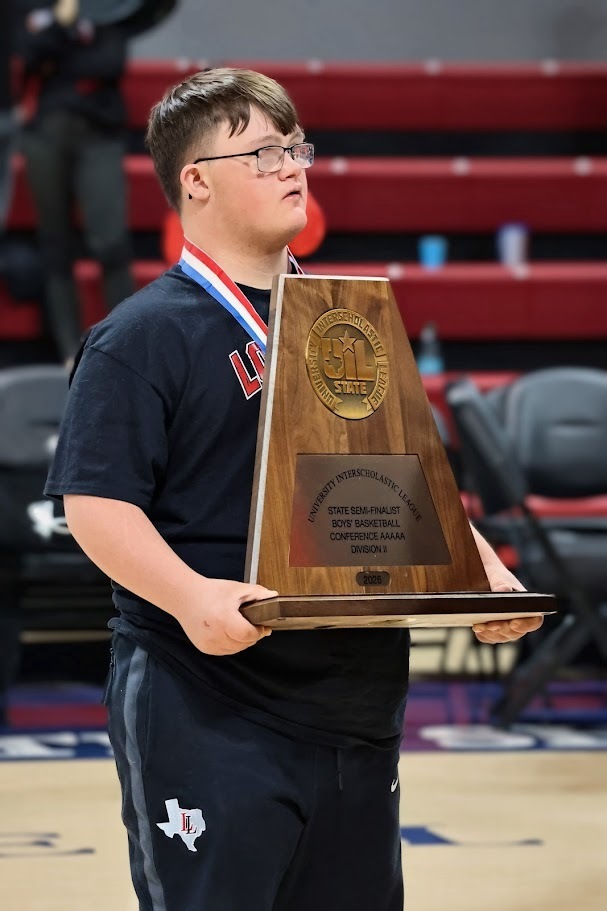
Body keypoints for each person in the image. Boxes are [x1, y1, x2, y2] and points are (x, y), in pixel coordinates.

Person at [44, 68, 542, 911]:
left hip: (357, 699)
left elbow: (404, 475)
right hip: (208, 699)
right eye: (264, 150)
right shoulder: (140, 334)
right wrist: (192, 594)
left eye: (296, 146)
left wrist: (482, 570)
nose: (292, 166)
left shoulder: (342, 320)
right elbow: (95, 504)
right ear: (193, 181)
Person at [14, 0, 134, 365]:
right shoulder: (36, 8)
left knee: (110, 242)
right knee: (55, 243)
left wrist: (59, 49)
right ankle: (69, 350)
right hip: (46, 135)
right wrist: (63, 27)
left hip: (99, 134)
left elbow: (111, 62)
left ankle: (125, 344)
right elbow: (27, 55)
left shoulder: (110, 8)